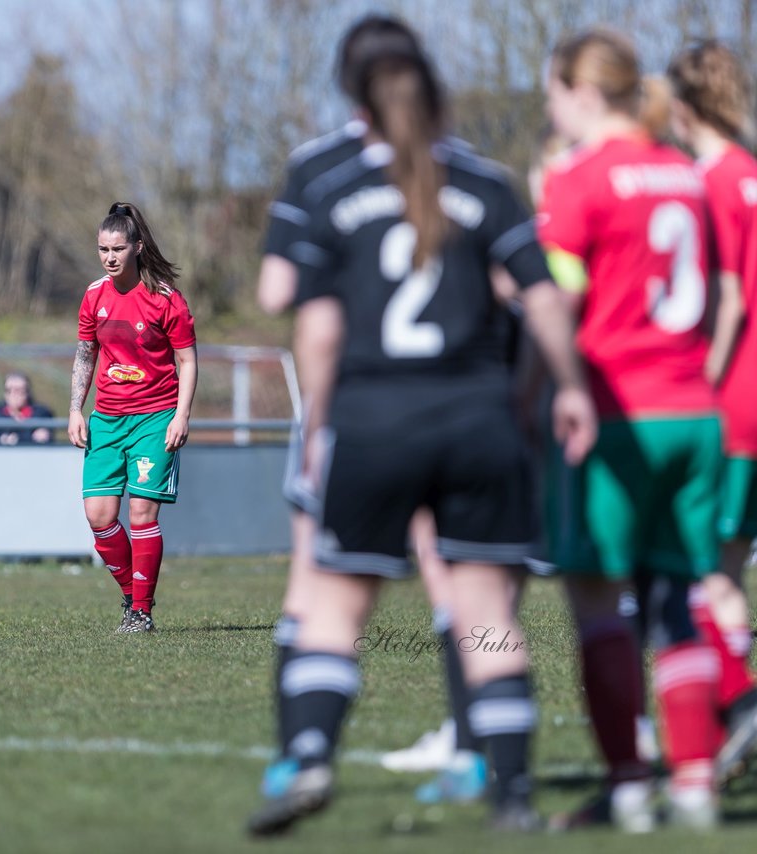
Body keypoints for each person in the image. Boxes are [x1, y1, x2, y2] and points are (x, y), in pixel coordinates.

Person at [246, 14, 596, 836]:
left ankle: (307, 756)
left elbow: (307, 318)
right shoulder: (484, 181)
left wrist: (322, 422)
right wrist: (564, 390)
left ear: (351, 92)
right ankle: (509, 793)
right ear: (435, 92)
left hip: (372, 420)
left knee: (331, 605)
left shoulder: (328, 182)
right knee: (484, 612)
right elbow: (540, 296)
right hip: (478, 420)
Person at [539, 30, 725, 831]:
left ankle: (626, 788)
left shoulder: (581, 178)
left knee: (597, 603)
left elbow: (558, 301)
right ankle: (695, 785)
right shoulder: (684, 173)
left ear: (582, 92)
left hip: (621, 415)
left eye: (551, 94)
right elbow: (717, 296)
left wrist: (539, 389)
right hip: (695, 413)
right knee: (678, 600)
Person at [667, 39, 757, 787]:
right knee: (724, 565)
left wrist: (704, 375)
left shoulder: (710, 179)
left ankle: (737, 704)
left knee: (702, 570)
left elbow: (727, 299)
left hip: (731, 402)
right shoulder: (753, 173)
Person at [68, 201, 197, 634]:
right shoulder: (93, 296)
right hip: (106, 419)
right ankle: (132, 594)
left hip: (155, 418)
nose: (109, 257)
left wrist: (181, 415)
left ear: (137, 248)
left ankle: (140, 612)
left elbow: (187, 360)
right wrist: (75, 410)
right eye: (102, 248)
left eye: (118, 248)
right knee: (99, 517)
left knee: (142, 513)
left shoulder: (165, 298)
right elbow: (86, 354)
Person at [0, 372, 55, 445]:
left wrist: (15, 439)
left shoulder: (42, 414)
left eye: (18, 390)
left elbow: (44, 438)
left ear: (27, 392)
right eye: (9, 390)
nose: (13, 394)